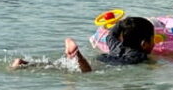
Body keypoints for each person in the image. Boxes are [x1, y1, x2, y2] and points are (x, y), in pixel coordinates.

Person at [10, 16, 156, 72]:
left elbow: (111, 34)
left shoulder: (114, 45)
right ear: (144, 44)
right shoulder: (141, 56)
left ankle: (24, 63)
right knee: (87, 72)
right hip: (112, 65)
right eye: (153, 39)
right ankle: (77, 54)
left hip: (103, 58)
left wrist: (120, 21)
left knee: (58, 66)